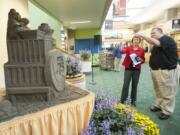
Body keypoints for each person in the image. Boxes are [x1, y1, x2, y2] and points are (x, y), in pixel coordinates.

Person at [136, 27, 179, 120]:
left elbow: (155, 42)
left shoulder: (167, 39)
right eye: (151, 33)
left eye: (154, 33)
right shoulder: (157, 43)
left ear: (161, 32)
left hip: (166, 71)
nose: (152, 35)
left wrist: (143, 35)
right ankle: (159, 105)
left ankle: (167, 111)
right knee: (159, 90)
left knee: (168, 91)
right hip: (157, 71)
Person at [120, 37, 145, 106]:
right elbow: (121, 51)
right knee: (125, 85)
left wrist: (138, 60)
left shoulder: (142, 50)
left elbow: (143, 60)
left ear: (139, 41)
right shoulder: (128, 48)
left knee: (134, 85)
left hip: (137, 70)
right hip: (128, 69)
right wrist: (121, 48)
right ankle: (123, 100)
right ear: (132, 41)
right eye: (134, 40)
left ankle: (133, 101)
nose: (136, 41)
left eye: (137, 40)